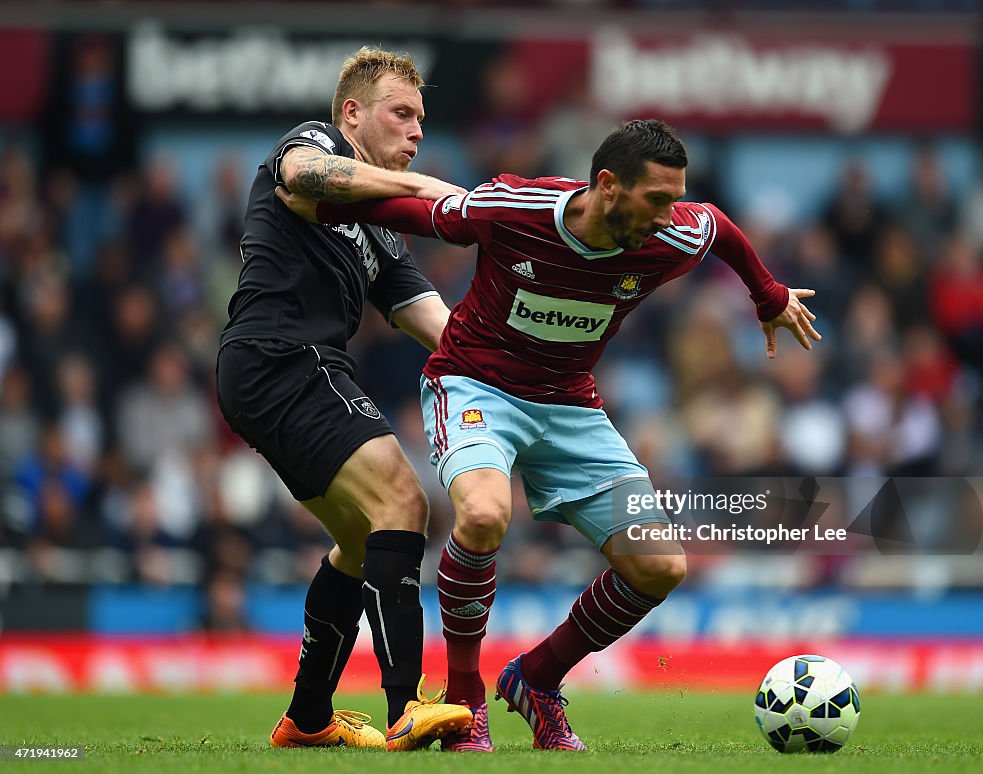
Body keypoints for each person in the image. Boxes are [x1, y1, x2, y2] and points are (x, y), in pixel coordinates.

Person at [276, 119, 820, 752]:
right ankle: (464, 699)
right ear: (608, 185)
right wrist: (321, 202)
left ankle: (537, 679)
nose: (670, 215)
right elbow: (418, 214)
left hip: (570, 407)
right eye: (657, 199)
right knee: (481, 515)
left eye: (676, 198)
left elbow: (719, 227)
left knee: (660, 566)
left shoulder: (674, 232)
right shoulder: (515, 206)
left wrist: (768, 294)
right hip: (476, 386)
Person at [215, 47, 473, 751]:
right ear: (354, 114)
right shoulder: (316, 144)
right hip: (282, 356)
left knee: (361, 542)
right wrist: (423, 186)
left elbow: (435, 322)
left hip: (274, 370)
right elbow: (300, 176)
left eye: (422, 120)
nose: (416, 131)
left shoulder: (380, 227)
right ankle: (405, 710)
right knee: (405, 502)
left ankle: (307, 717)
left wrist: (515, 370)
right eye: (402, 115)